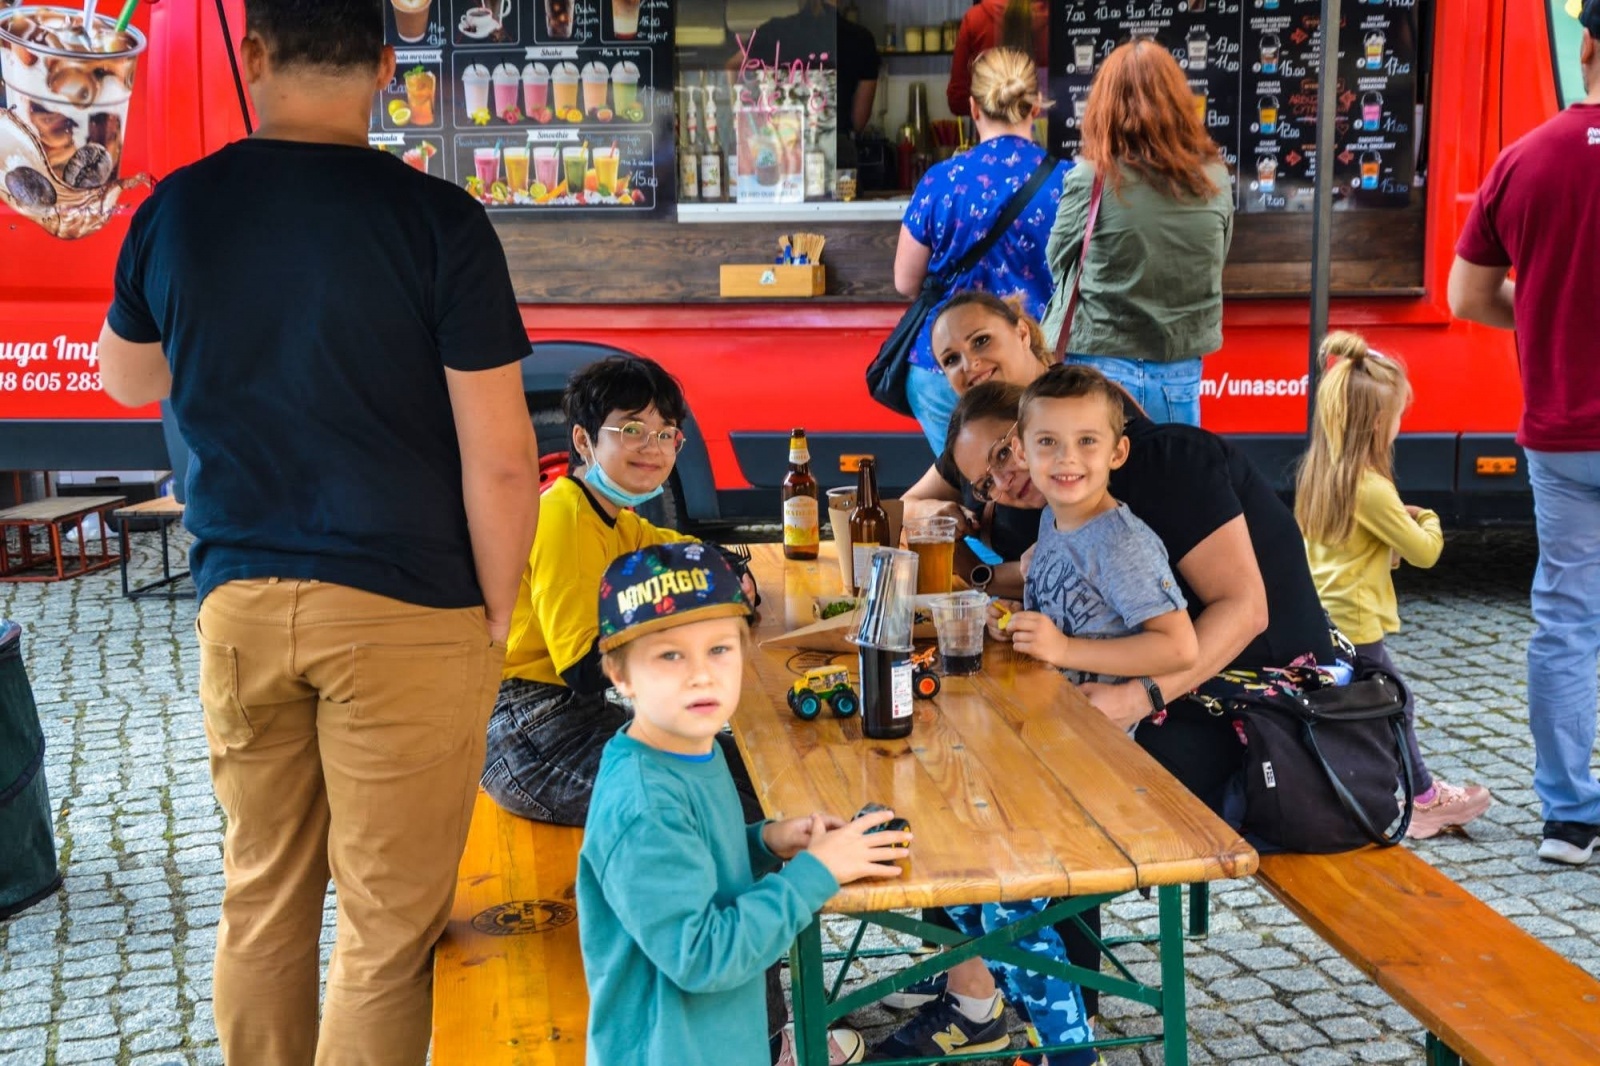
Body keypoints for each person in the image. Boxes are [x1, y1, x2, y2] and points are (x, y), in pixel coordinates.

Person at [95, 0, 542, 1060]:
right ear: (386, 67)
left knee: (261, 896)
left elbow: (127, 379)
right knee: (387, 931)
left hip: (241, 599)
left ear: (254, 55)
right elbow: (501, 459)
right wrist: (499, 608)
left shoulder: (178, 209)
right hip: (407, 606)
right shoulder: (439, 220)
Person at [578, 542, 911, 1066]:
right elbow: (704, 957)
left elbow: (698, 861)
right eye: (670, 656)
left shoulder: (689, 748)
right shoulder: (643, 806)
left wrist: (764, 843)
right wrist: (815, 872)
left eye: (719, 649)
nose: (701, 674)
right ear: (620, 674)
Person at [1447, 0, 1600, 865]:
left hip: (1562, 432)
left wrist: (1542, 313)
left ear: (1588, 46)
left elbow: (1467, 296)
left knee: (1567, 620)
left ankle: (1569, 819)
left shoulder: (1528, 157)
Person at [482, 355, 737, 827]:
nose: (653, 448)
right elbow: (583, 667)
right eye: (633, 430)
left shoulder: (619, 521)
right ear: (584, 440)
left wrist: (735, 571)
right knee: (711, 805)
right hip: (529, 734)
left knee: (738, 769)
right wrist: (685, 643)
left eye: (666, 434)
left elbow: (690, 553)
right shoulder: (564, 515)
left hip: (577, 718)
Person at [1295, 332, 1491, 839]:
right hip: (1358, 623)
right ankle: (1423, 800)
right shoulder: (1373, 488)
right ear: (1378, 424)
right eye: (1400, 415)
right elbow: (1426, 552)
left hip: (1324, 615)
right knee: (1394, 705)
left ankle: (1379, 790)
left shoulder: (1320, 474)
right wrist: (1425, 517)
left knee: (1364, 708)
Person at [1039, 40, 1233, 426]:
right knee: (1172, 463)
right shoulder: (1214, 178)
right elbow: (1217, 256)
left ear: (1103, 105)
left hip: (1098, 362)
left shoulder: (1091, 177)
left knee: (1096, 466)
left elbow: (1058, 260)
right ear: (1180, 103)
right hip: (1178, 367)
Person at [895, 48, 1069, 451]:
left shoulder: (941, 180)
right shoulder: (1069, 181)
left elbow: (905, 281)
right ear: (1036, 106)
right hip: (1032, 368)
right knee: (1030, 480)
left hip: (945, 371)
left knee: (967, 479)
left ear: (973, 108)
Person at [995, 364, 1198, 687]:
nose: (1066, 457)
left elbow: (1179, 649)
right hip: (1051, 699)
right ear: (1022, 452)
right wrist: (1020, 621)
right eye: (1047, 441)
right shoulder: (1051, 518)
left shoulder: (1122, 544)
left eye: (1087, 440)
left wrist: (1063, 649)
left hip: (1098, 716)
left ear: (1117, 453)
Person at [899, 292, 1057, 596]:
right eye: (951, 360)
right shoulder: (975, 430)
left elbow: (1079, 560)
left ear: (1022, 333)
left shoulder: (1077, 407)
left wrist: (980, 576)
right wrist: (935, 513)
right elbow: (904, 507)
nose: (969, 364)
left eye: (981, 341)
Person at [743, 0, 880, 140]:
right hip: (837, 146)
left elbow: (734, 69)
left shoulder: (772, 31)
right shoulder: (862, 40)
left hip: (786, 143)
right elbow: (858, 121)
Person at [946, 0, 1049, 117]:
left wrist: (990, 106)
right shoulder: (1061, 17)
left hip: (989, 126)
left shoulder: (975, 18)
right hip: (1051, 126)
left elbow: (957, 101)